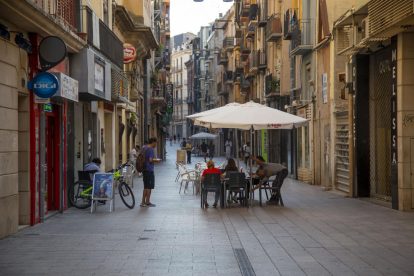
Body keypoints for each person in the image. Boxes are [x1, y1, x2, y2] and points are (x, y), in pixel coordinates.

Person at [141, 137, 161, 207]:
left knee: (145, 186)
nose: (156, 144)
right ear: (153, 142)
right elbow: (150, 160)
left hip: (144, 169)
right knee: (149, 187)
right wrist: (156, 160)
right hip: (149, 169)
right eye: (156, 143)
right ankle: (147, 202)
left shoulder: (143, 148)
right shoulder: (151, 150)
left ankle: (143, 201)